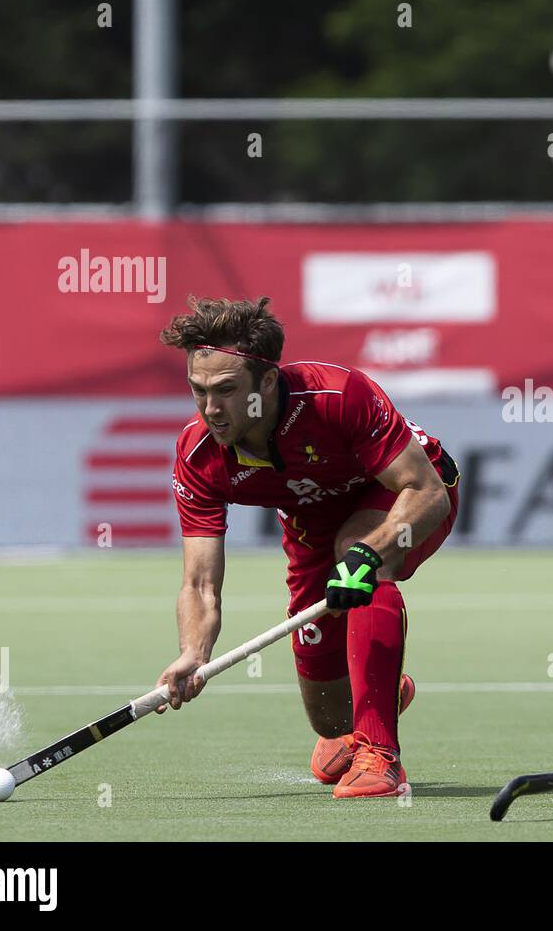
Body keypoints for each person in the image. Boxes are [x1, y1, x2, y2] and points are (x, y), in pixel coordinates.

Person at [157, 296, 459, 799]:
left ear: (267, 382)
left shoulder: (337, 396)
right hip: (311, 525)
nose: (211, 409)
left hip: (409, 491)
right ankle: (379, 691)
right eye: (198, 390)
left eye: (227, 391)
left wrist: (369, 554)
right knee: (329, 719)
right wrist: (194, 650)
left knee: (359, 554)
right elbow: (200, 582)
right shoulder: (199, 455)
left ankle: (381, 758)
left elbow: (425, 492)